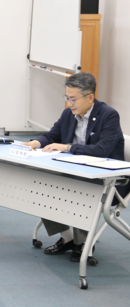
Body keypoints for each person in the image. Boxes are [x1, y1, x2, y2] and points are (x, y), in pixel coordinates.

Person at [22, 72, 125, 262]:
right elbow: (52, 135)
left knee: (76, 188)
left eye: (73, 99)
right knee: (41, 183)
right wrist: (36, 143)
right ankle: (68, 237)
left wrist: (68, 147)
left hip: (106, 179)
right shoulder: (68, 114)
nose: (69, 103)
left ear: (90, 97)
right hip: (75, 170)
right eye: (66, 98)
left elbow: (102, 150)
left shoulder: (109, 115)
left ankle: (82, 242)